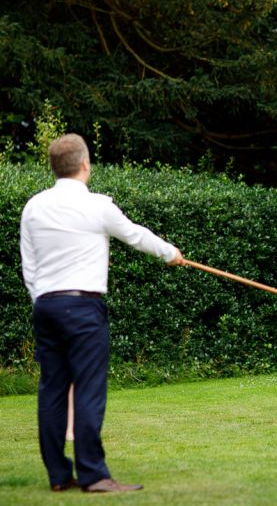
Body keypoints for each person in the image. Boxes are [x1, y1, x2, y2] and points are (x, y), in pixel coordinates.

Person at [20, 133, 184, 492]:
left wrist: (40, 299)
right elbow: (135, 235)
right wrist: (170, 252)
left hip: (46, 306)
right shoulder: (98, 205)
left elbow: (28, 265)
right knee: (89, 389)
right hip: (82, 306)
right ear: (84, 165)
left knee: (52, 390)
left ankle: (59, 477)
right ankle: (93, 475)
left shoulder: (33, 206)